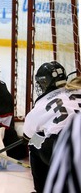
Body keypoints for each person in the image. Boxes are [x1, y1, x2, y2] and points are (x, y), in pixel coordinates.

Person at [23, 62, 81, 193]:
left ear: (44, 83)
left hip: (66, 146)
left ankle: (42, 190)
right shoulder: (77, 89)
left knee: (35, 140)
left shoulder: (43, 103)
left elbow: (27, 133)